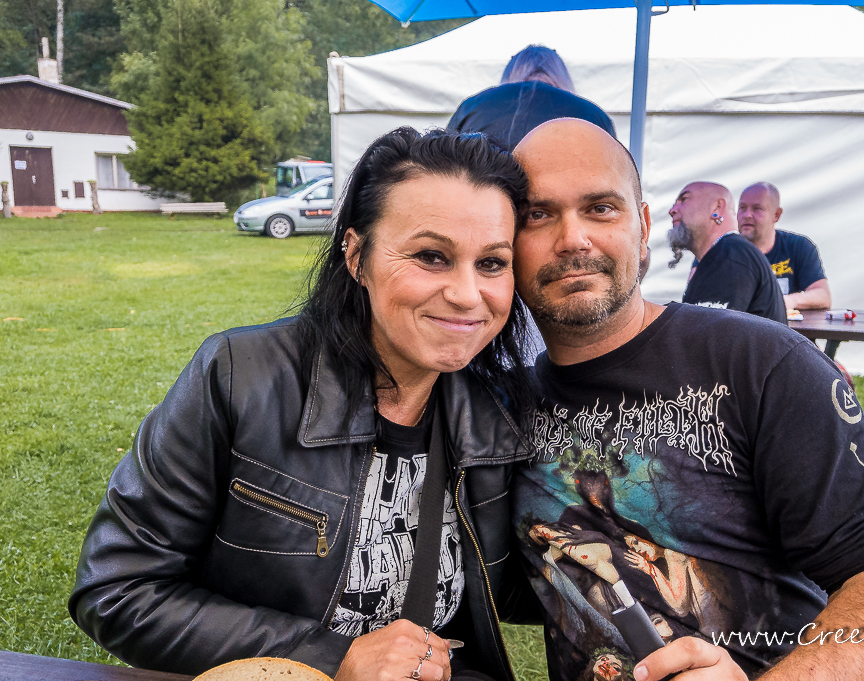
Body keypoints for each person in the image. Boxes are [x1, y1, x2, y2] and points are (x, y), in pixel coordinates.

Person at [69, 128, 536, 681]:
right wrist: (332, 657)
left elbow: (520, 587)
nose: (466, 294)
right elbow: (117, 588)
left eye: (492, 263)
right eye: (431, 256)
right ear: (356, 256)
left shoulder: (499, 413)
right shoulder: (239, 378)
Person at [510, 119, 864, 681]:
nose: (573, 239)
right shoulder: (499, 407)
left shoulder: (764, 365)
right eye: (538, 215)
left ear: (643, 227)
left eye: (601, 208)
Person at [446, 45, 617, 151]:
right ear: (562, 75)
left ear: (510, 73)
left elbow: (442, 163)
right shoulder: (593, 115)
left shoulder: (471, 107)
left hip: (487, 198)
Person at [668, 182, 787, 324]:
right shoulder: (723, 254)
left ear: (717, 208)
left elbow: (706, 334)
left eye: (684, 199)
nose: (672, 210)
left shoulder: (730, 257)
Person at [738, 182, 832, 310]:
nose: (747, 215)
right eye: (742, 208)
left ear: (776, 215)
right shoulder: (723, 250)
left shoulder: (798, 247)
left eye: (757, 208)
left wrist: (788, 301)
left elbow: (823, 295)